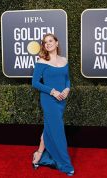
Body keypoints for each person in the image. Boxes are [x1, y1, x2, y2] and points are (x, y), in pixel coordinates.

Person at [31, 33, 74, 176]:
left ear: (56, 43)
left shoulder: (64, 60)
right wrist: (52, 91)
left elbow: (67, 79)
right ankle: (66, 165)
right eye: (45, 42)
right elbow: (35, 83)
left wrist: (67, 89)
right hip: (49, 100)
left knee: (49, 128)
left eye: (50, 41)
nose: (47, 43)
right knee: (58, 130)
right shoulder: (42, 61)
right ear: (44, 46)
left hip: (62, 99)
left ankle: (38, 154)